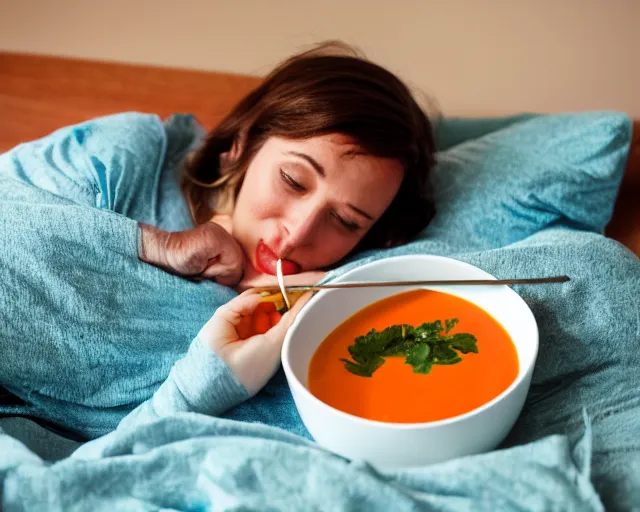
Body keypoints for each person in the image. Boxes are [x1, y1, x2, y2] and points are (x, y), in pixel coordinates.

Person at [0, 41, 437, 435]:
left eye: (344, 221)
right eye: (293, 180)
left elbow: (125, 437)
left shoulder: (325, 303)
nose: (298, 233)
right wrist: (158, 248)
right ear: (240, 146)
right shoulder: (128, 157)